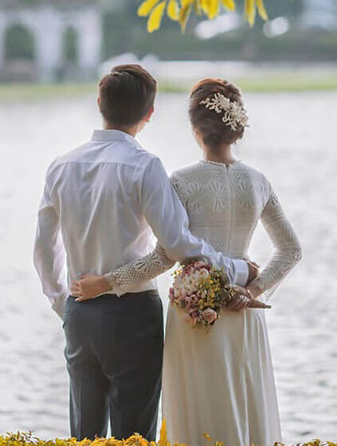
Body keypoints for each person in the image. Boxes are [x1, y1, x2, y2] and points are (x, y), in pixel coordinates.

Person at [71, 77, 302, 446]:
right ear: (237, 128)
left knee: (197, 413)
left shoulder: (181, 181)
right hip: (246, 314)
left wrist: (108, 282)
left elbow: (165, 255)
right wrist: (252, 290)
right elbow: (291, 250)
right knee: (244, 408)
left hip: (195, 317)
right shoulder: (258, 182)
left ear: (195, 128)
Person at [33, 65, 259, 442]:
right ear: (149, 113)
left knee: (83, 434)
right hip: (133, 316)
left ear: (100, 102)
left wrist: (63, 304)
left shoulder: (61, 166)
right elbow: (178, 244)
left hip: (79, 311)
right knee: (134, 434)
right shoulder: (145, 166)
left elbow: (43, 248)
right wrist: (237, 269)